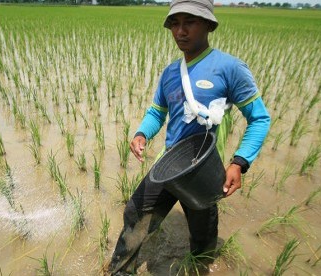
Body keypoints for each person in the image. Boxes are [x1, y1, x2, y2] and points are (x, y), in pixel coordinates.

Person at [107, 0, 271, 274]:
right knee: (135, 212)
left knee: (203, 238)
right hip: (170, 164)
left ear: (208, 25)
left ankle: (198, 266)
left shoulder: (230, 68)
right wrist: (141, 133)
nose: (180, 31)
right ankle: (119, 271)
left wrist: (239, 162)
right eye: (175, 23)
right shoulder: (171, 73)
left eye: (190, 22)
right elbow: (157, 112)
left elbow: (259, 118)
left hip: (203, 170)